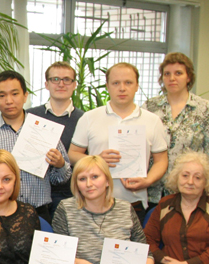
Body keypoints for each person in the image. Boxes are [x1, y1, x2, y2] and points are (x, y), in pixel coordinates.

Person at [69, 62, 169, 225]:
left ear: (137, 86)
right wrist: (96, 159)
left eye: (128, 82)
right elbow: (72, 154)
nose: (122, 88)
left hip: (134, 204)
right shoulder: (89, 118)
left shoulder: (152, 121)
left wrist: (148, 181)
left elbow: (161, 160)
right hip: (93, 203)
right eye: (116, 83)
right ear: (107, 86)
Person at [143, 52, 209, 205]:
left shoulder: (204, 108)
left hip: (190, 192)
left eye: (178, 73)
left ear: (188, 77)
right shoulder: (149, 107)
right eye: (167, 74)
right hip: (153, 191)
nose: (172, 78)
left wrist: (206, 193)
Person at [0, 70, 71, 223]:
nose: (9, 100)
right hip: (0, 214)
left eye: (15, 94)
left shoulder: (45, 130)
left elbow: (61, 179)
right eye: (2, 95)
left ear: (25, 96)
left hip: (39, 212)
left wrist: (60, 164)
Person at [27, 61, 85, 216]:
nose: (61, 84)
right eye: (55, 79)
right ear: (46, 84)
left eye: (67, 80)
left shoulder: (85, 119)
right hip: (34, 194)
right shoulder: (30, 116)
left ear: (74, 85)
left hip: (70, 195)